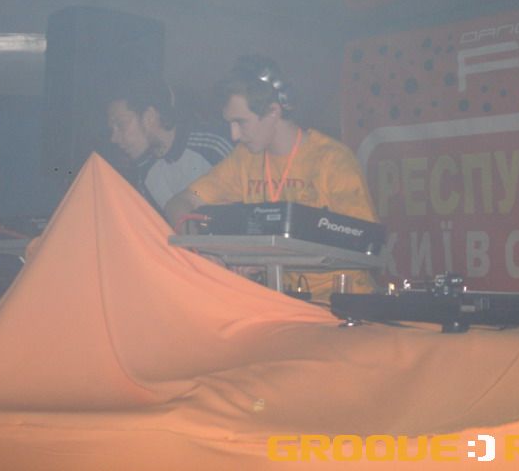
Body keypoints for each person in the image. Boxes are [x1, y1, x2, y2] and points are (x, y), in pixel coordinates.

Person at [164, 54, 378, 301]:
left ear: (273, 111)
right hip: (285, 300)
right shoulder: (244, 159)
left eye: (241, 122)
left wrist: (264, 255)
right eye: (230, 124)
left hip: (341, 302)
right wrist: (201, 246)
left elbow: (365, 243)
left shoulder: (332, 160)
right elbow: (181, 202)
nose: (234, 135)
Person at [106, 70, 232, 216]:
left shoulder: (212, 146)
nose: (113, 138)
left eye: (121, 124)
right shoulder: (144, 173)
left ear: (149, 116)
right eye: (112, 129)